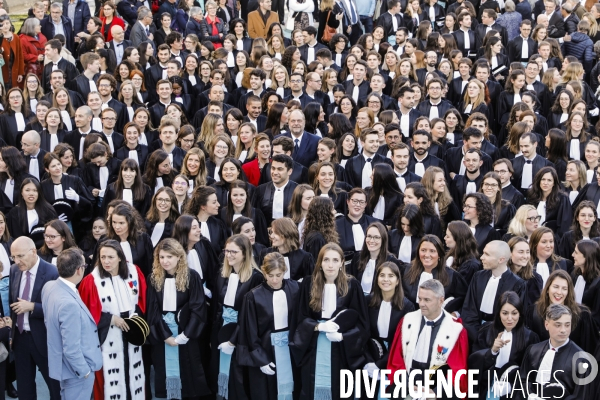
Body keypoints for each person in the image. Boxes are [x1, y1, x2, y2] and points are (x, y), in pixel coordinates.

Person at [288, 243, 368, 399]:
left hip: (341, 350)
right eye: (326, 260)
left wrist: (343, 337)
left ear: (342, 263)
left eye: (335, 260)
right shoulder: (308, 284)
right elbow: (299, 317)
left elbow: (361, 323)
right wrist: (318, 326)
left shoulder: (353, 286)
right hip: (312, 347)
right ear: (320, 263)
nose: (330, 265)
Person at [78, 239, 147, 400]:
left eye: (110, 257)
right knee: (111, 377)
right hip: (107, 334)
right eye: (102, 257)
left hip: (131, 329)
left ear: (120, 257)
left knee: (132, 372)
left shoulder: (134, 272)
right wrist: (110, 319)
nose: (106, 262)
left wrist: (135, 317)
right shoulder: (91, 281)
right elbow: (86, 313)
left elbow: (143, 300)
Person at [146, 238, 211, 399]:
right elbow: (152, 310)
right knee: (163, 371)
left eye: (169, 257)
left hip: (186, 334)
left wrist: (185, 335)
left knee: (189, 374)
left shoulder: (192, 276)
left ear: (179, 257)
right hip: (163, 335)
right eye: (161, 257)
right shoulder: (153, 278)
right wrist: (166, 336)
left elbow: (198, 308)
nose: (165, 261)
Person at [386, 279, 469, 397]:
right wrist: (406, 385)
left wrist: (435, 393)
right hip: (407, 384)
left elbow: (456, 370)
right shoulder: (407, 321)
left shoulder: (455, 330)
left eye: (427, 300)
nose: (421, 304)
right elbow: (396, 360)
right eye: (420, 299)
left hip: (436, 388)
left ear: (441, 301)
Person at [237, 252, 301, 400]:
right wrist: (261, 359)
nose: (274, 280)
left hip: (291, 350)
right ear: (263, 271)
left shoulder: (296, 289)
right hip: (266, 350)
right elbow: (250, 331)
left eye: (278, 275)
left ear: (284, 271)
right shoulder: (253, 296)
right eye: (270, 275)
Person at [41, 248, 102, 400]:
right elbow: (71, 348)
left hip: (63, 367)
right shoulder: (69, 305)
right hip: (76, 373)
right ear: (79, 270)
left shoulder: (49, 286)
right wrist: (85, 372)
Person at [211, 234, 263, 399]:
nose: (229, 255)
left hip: (242, 337)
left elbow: (250, 316)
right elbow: (218, 308)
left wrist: (233, 340)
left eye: (234, 252)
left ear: (245, 253)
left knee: (239, 381)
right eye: (227, 251)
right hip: (222, 332)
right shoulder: (222, 275)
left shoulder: (256, 278)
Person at [9, 236, 60, 399]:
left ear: (33, 252)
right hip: (21, 338)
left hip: (44, 339)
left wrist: (32, 307)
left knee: (55, 387)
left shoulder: (52, 272)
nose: (16, 261)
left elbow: (58, 309)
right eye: (13, 257)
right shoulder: (14, 270)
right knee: (24, 388)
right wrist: (12, 333)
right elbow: (13, 302)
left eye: (20, 256)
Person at [468, 291, 540, 399]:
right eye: (505, 313)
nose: (509, 318)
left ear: (520, 314)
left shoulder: (530, 337)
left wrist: (512, 386)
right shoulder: (486, 331)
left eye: (514, 313)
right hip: (487, 388)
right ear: (499, 313)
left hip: (514, 390)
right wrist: (492, 351)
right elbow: (474, 363)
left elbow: (531, 373)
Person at [520, 304, 590, 399]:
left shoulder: (581, 360)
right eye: (558, 325)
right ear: (546, 325)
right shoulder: (533, 351)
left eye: (567, 325)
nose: (563, 330)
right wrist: (530, 395)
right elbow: (524, 380)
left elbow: (581, 396)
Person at [461, 241, 526, 342]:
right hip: (474, 338)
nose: (482, 257)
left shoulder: (518, 284)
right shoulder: (478, 277)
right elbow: (469, 310)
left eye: (487, 254)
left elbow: (515, 318)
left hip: (501, 339)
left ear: (501, 259)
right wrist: (477, 337)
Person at [402, 235, 468, 315]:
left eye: (432, 251)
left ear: (439, 254)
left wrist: (455, 313)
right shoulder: (407, 270)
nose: (427, 255)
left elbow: (465, 301)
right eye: (423, 250)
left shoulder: (452, 276)